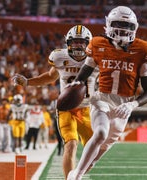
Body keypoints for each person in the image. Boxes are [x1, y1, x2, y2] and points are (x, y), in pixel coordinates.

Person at [67, 6, 147, 180]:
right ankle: (76, 176)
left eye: (127, 25)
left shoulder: (144, 49)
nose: (122, 28)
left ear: (135, 27)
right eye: (118, 23)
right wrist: (75, 87)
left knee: (96, 155)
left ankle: (79, 170)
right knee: (100, 133)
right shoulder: (98, 44)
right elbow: (85, 72)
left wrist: (132, 104)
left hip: (124, 106)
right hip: (101, 98)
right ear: (108, 24)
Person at [11, 25, 98, 178]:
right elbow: (51, 76)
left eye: (81, 42)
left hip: (87, 109)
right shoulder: (59, 57)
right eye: (75, 42)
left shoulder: (97, 58)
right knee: (71, 144)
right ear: (68, 42)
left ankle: (76, 174)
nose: (78, 45)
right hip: (66, 108)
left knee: (94, 152)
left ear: (88, 43)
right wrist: (27, 82)